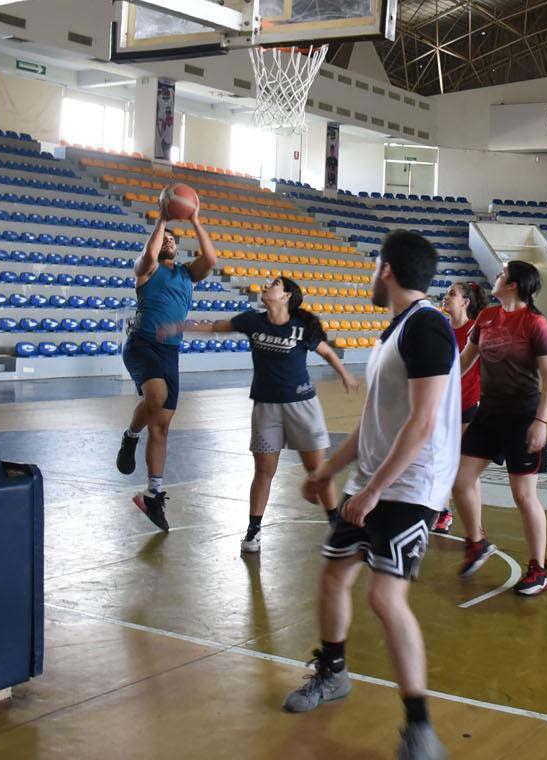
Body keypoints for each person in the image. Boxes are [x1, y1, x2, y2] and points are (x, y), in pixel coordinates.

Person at [282, 230, 459, 760]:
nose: (369, 276)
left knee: (385, 597)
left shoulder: (429, 328)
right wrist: (326, 474)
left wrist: (374, 490)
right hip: (374, 482)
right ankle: (332, 672)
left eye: (372, 267)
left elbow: (424, 423)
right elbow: (372, 427)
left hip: (411, 486)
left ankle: (420, 727)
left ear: (386, 270)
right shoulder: (393, 334)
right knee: (334, 573)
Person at [182, 276, 357, 553]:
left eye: (274, 283)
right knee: (264, 471)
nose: (266, 285)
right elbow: (217, 327)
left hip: (302, 406)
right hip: (266, 407)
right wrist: (183, 327)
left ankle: (336, 523)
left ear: (286, 296)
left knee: (317, 470)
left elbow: (327, 352)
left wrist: (345, 375)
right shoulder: (252, 321)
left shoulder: (302, 328)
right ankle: (253, 532)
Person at [452, 261, 547, 595]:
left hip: (523, 417)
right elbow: (464, 361)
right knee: (460, 480)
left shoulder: (534, 323)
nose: (496, 278)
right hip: (489, 413)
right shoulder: (485, 318)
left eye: (502, 274)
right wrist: (437, 386)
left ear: (513, 284)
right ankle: (478, 542)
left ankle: (539, 570)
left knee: (524, 495)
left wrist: (541, 422)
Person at [116, 202, 217, 531]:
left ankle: (153, 494)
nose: (169, 241)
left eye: (174, 238)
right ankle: (131, 436)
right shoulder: (146, 270)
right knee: (155, 397)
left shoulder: (188, 274)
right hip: (142, 345)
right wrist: (162, 219)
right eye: (165, 239)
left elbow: (211, 260)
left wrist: (196, 220)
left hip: (171, 352)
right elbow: (149, 253)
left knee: (161, 428)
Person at [435, 280, 489, 534]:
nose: (446, 298)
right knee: (440, 462)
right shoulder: (441, 330)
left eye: (451, 294)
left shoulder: (475, 331)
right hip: (442, 407)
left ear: (465, 302)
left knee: (466, 471)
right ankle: (443, 512)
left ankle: (476, 528)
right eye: (446, 294)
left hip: (468, 406)